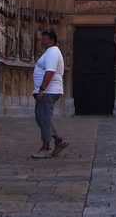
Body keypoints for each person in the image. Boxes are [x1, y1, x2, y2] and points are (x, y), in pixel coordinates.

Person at [31, 29, 68, 159]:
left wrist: (42, 89)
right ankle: (59, 141)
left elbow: (50, 72)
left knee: (44, 118)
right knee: (40, 118)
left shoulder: (53, 52)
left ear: (51, 40)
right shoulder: (49, 52)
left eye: (44, 39)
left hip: (48, 91)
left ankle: (46, 148)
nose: (42, 41)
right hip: (46, 90)